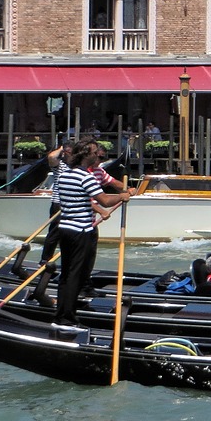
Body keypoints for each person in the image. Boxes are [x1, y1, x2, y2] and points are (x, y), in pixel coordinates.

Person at [51, 141, 130, 329]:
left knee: (66, 274)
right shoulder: (86, 177)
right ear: (86, 155)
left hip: (65, 229)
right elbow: (105, 201)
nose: (98, 156)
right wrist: (122, 196)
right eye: (95, 153)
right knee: (75, 276)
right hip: (81, 231)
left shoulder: (64, 175)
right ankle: (66, 318)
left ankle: (62, 314)